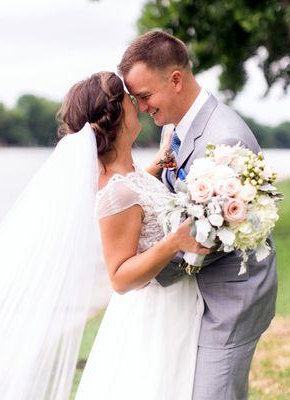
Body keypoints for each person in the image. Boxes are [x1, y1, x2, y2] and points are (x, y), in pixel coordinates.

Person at [118, 30, 278, 400]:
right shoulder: (176, 124)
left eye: (145, 96)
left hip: (230, 299)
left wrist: (142, 270)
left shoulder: (222, 139)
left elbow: (210, 238)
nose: (141, 108)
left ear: (175, 80)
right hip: (196, 295)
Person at [68, 72, 209, 399]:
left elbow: (137, 199)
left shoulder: (128, 176)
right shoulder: (116, 192)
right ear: (117, 115)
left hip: (175, 303)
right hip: (155, 316)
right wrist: (174, 241)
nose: (141, 106)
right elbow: (119, 277)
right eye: (132, 101)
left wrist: (157, 166)